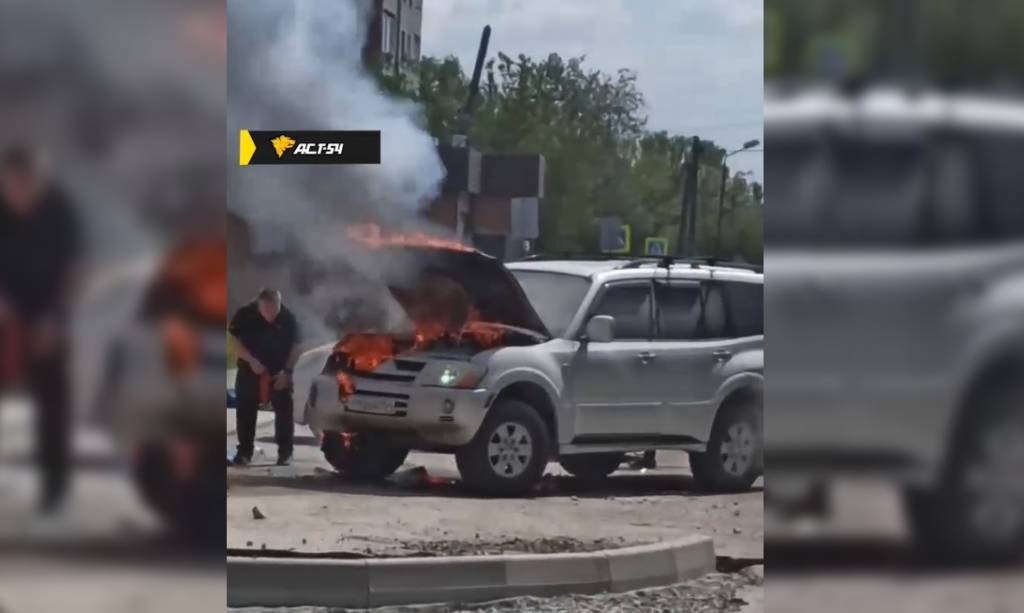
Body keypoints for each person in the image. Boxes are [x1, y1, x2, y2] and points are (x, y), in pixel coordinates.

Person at [0, 146, 81, 511]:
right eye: (13, 184)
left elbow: (74, 270)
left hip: (49, 312)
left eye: (26, 183)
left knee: (53, 403)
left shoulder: (59, 211)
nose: (20, 191)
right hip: (6, 309)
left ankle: (55, 486)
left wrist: (56, 317)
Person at [229, 288, 300, 466]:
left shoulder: (288, 318)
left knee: (284, 411)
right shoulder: (245, 314)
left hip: (279, 371)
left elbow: (296, 348)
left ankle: (286, 453)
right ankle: (245, 452)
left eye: (274, 310)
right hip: (250, 369)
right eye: (266, 310)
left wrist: (288, 372)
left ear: (279, 304)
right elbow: (234, 342)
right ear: (258, 305)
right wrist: (251, 360)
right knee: (245, 411)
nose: (270, 315)